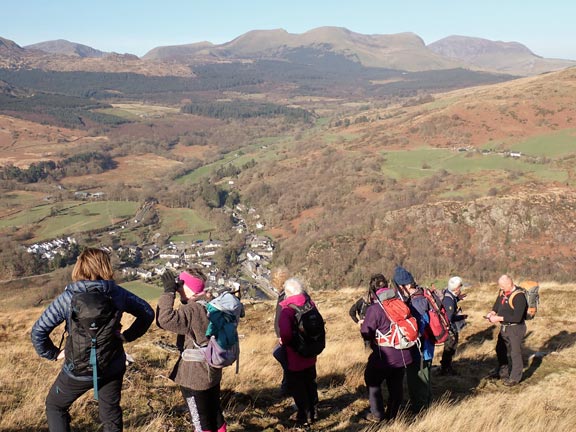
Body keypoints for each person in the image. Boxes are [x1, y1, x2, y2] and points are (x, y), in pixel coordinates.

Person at [31, 247, 154, 432]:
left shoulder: (68, 298)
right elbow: (147, 312)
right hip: (112, 364)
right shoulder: (117, 294)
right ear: (106, 267)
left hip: (77, 369)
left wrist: (53, 354)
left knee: (55, 406)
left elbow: (38, 331)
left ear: (79, 267)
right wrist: (127, 336)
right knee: (110, 412)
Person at [156, 268, 227, 432]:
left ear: (190, 288)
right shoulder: (212, 303)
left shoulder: (192, 310)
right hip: (212, 369)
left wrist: (168, 292)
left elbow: (164, 319)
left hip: (195, 376)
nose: (178, 287)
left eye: (181, 284)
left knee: (201, 421)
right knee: (215, 414)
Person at [361, 285, 413, 422]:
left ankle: (377, 414)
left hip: (384, 356)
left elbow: (366, 332)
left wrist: (363, 325)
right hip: (403, 353)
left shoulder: (375, 309)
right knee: (396, 384)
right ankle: (393, 415)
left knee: (372, 380)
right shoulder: (400, 302)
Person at [278, 278, 319, 426]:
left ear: (287, 293)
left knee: (298, 386)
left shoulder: (287, 310)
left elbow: (286, 335)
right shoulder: (310, 304)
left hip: (295, 356)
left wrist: (286, 342)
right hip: (311, 353)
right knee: (310, 382)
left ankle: (304, 415)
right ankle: (313, 411)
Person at [393, 266, 433, 413]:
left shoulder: (416, 302)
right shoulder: (421, 295)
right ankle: (427, 404)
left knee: (417, 378)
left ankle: (420, 410)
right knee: (425, 376)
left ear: (405, 285)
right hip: (426, 347)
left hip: (421, 348)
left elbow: (418, 329)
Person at [485, 274, 528, 386]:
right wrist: (493, 312)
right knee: (500, 349)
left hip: (515, 328)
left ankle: (515, 378)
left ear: (509, 284)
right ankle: (503, 371)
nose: (501, 288)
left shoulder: (519, 297)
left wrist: (498, 318)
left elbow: (517, 318)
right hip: (505, 328)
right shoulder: (503, 292)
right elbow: (498, 304)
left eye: (502, 286)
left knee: (515, 353)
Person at [439, 276, 468, 375]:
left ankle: (446, 368)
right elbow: (449, 318)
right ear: (456, 288)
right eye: (460, 286)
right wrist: (462, 317)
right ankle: (446, 369)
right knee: (449, 349)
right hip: (449, 330)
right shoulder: (449, 300)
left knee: (449, 349)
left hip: (448, 329)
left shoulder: (449, 294)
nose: (461, 288)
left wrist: (457, 299)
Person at [271, 267, 290, 394]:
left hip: (285, 334)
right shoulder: (288, 293)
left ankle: (288, 385)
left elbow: (281, 317)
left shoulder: (285, 296)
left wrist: (281, 334)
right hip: (286, 333)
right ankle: (287, 384)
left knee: (282, 356)